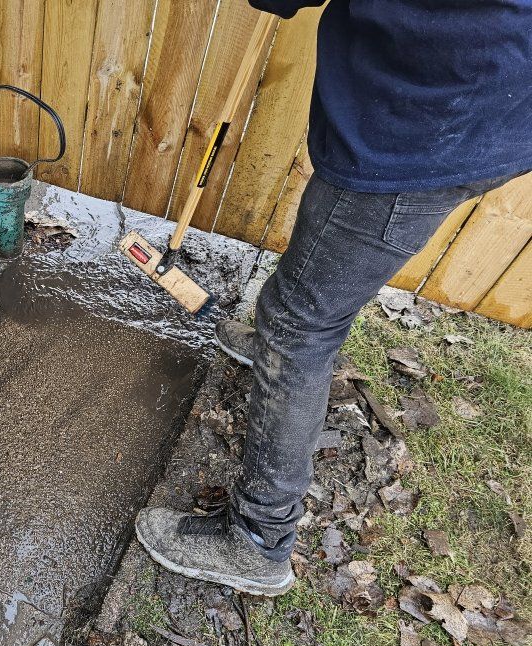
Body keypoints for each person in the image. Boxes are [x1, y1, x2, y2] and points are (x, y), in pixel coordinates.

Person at [135, 0, 532, 596]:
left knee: (300, 327)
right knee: (321, 274)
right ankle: (276, 343)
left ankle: (258, 541)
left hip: (424, 121)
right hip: (476, 98)